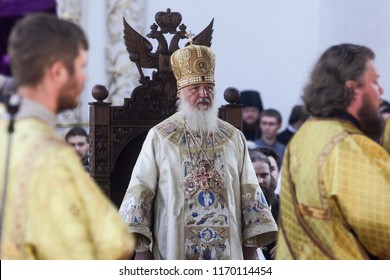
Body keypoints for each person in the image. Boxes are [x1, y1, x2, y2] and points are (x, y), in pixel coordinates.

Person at [119, 40, 277, 260]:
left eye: (209, 88)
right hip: (174, 251)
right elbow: (139, 192)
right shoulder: (160, 137)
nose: (203, 94)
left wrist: (250, 252)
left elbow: (250, 196)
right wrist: (142, 251)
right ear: (180, 93)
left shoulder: (233, 138)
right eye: (194, 89)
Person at [0, 13, 135, 259]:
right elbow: (111, 246)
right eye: (81, 66)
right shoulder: (51, 156)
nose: (84, 77)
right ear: (59, 72)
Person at [276, 43, 390, 260]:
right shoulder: (347, 146)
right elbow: (383, 230)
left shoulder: (305, 134)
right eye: (374, 82)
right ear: (352, 88)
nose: (381, 91)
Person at [249, 149, 279, 260]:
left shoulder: (284, 205)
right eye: (253, 175)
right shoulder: (235, 207)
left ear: (271, 175)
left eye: (264, 175)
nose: (259, 181)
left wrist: (286, 246)